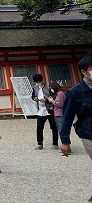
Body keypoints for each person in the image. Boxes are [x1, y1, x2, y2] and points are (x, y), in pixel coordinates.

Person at [59, 56, 92, 203]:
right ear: (84, 72)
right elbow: (67, 117)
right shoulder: (75, 92)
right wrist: (65, 141)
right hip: (88, 133)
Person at [31, 73, 59, 150]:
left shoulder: (49, 87)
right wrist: (35, 99)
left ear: (42, 80)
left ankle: (55, 144)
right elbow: (32, 96)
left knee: (53, 127)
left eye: (39, 81)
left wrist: (46, 100)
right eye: (37, 82)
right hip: (40, 110)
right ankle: (40, 143)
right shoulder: (35, 88)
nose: (38, 83)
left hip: (49, 109)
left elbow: (54, 96)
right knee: (39, 127)